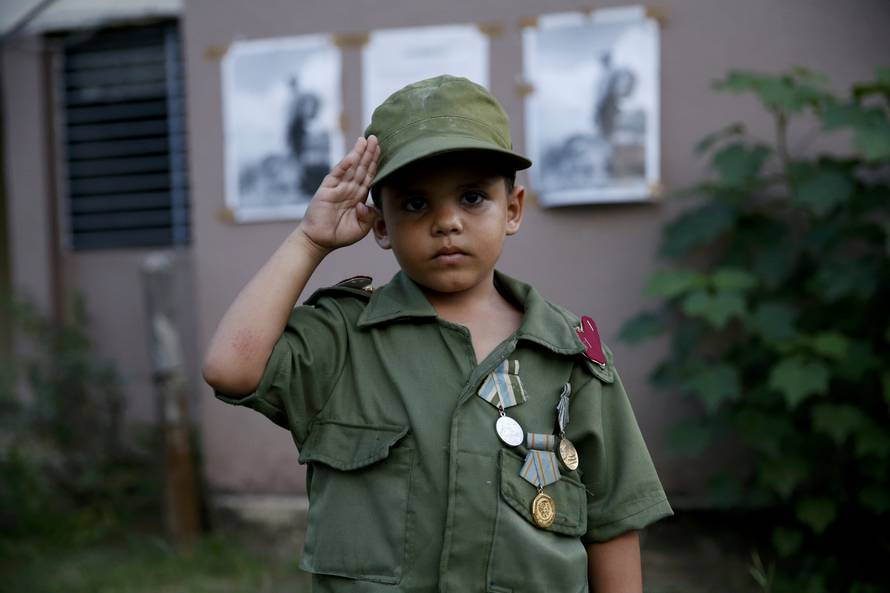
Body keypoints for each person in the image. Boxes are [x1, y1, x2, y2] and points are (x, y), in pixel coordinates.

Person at [203, 75, 672, 593]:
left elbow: (612, 521)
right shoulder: (344, 339)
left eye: (472, 198)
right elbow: (230, 366)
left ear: (512, 209)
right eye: (414, 204)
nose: (446, 221)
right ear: (380, 224)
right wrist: (310, 240)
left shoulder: (569, 355)